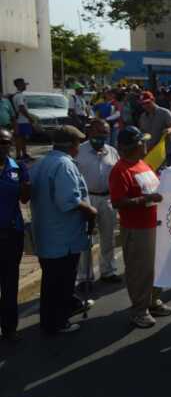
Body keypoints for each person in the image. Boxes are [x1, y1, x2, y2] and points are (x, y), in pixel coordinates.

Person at [31, 126, 97, 334]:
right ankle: (56, 323)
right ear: (72, 145)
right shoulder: (64, 164)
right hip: (62, 236)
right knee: (60, 281)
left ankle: (63, 310)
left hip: (48, 233)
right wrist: (91, 210)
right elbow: (68, 201)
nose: (79, 148)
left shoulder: (43, 161)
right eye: (78, 143)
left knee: (53, 281)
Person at [110, 126, 171, 328]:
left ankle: (153, 301)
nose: (146, 144)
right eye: (142, 141)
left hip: (155, 224)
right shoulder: (120, 170)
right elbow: (118, 202)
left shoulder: (142, 165)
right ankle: (139, 310)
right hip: (137, 228)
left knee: (157, 267)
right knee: (140, 270)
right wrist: (145, 199)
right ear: (132, 146)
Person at [74, 118, 120, 288]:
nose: (101, 136)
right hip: (87, 199)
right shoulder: (79, 151)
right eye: (98, 132)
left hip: (107, 198)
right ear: (90, 132)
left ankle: (108, 271)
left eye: (105, 133)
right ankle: (85, 277)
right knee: (87, 240)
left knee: (108, 237)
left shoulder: (112, 151)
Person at [0, 128, 30, 342]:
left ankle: (9, 327)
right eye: (0, 142)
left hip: (11, 233)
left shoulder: (18, 168)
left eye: (7, 142)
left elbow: (25, 200)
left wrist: (26, 187)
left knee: (10, 282)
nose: (4, 146)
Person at [137, 91, 171, 168]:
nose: (145, 106)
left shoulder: (164, 112)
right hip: (150, 152)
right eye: (143, 104)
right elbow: (142, 133)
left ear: (153, 100)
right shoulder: (142, 117)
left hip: (165, 152)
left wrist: (169, 130)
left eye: (147, 103)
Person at [11, 78, 34, 162]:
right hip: (21, 121)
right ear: (20, 85)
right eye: (24, 84)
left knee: (23, 138)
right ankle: (18, 155)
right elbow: (21, 108)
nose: (25, 86)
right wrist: (29, 118)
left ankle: (24, 154)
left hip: (22, 120)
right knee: (20, 138)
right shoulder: (19, 96)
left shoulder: (18, 95)